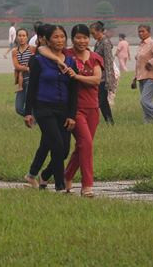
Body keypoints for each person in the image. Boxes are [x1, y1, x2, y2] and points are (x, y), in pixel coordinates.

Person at [23, 24, 77, 192]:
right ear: (47, 40)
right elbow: (31, 87)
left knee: (65, 149)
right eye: (56, 37)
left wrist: (72, 115)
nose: (60, 40)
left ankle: (43, 175)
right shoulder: (39, 60)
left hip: (64, 109)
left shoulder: (69, 61)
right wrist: (28, 112)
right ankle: (60, 186)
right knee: (57, 145)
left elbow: (73, 90)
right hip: (44, 108)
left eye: (62, 36)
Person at [63, 24, 104, 197]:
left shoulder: (95, 57)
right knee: (86, 143)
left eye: (85, 37)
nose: (82, 41)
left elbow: (96, 80)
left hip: (93, 108)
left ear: (90, 38)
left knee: (82, 146)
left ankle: (66, 176)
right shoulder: (66, 55)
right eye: (78, 37)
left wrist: (76, 76)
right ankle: (87, 185)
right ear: (72, 39)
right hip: (75, 108)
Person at [132, 24, 153, 123]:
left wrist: (151, 63)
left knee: (144, 101)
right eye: (139, 31)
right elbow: (138, 63)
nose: (141, 33)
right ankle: (148, 123)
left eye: (143, 31)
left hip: (151, 77)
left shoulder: (152, 43)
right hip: (141, 77)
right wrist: (134, 78)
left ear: (149, 32)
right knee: (146, 102)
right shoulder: (141, 45)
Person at [90, 21, 116, 125]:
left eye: (93, 33)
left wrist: (110, 80)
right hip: (99, 75)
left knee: (102, 101)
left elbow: (109, 61)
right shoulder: (98, 42)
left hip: (104, 76)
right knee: (101, 101)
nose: (92, 36)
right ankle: (109, 121)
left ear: (100, 31)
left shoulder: (105, 43)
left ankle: (110, 121)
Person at [10, 28, 32, 117]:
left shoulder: (32, 49)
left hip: (31, 79)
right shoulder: (15, 51)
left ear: (27, 37)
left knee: (30, 104)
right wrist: (26, 68)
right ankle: (33, 117)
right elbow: (16, 66)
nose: (21, 38)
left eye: (24, 36)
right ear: (16, 37)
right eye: (19, 36)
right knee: (18, 108)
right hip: (21, 81)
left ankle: (34, 121)